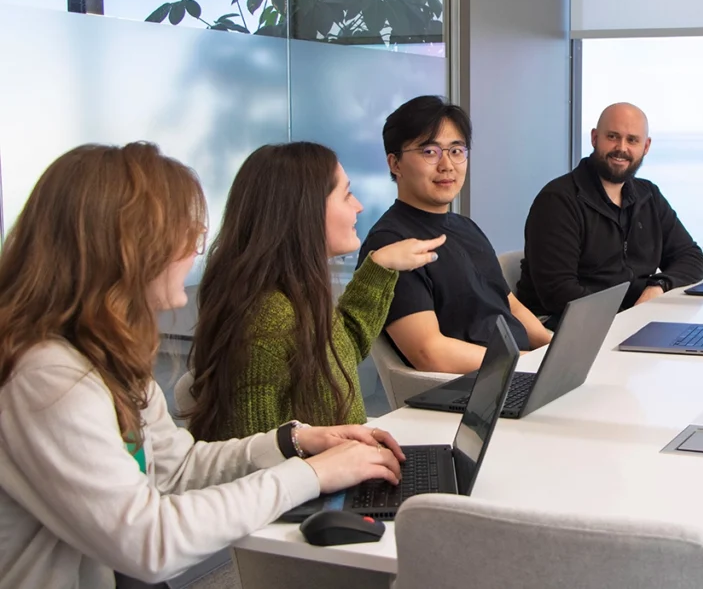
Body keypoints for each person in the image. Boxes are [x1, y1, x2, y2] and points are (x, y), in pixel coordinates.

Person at [0, 143, 405, 589]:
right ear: (129, 247)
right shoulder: (47, 377)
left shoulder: (105, 355)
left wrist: (295, 441)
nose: (195, 249)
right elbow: (149, 544)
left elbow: (176, 468)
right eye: (184, 234)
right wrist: (309, 475)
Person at [185, 142, 444, 442]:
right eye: (346, 194)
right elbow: (253, 458)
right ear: (305, 210)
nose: (358, 205)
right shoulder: (268, 319)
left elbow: (341, 350)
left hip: (342, 466)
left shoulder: (295, 294)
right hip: (322, 483)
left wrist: (380, 265)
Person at [358, 96, 552, 374]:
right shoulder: (392, 245)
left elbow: (510, 305)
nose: (447, 165)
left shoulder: (465, 226)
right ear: (395, 164)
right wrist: (525, 364)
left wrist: (552, 346)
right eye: (429, 152)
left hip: (518, 370)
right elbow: (430, 352)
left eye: (456, 151)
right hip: (472, 387)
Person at [517, 102, 703, 325]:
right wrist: (628, 319)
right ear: (595, 138)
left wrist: (658, 286)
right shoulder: (558, 200)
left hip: (630, 320)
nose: (621, 148)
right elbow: (559, 293)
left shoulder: (649, 196)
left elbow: (691, 258)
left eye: (632, 140)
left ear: (646, 146)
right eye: (613, 137)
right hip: (564, 324)